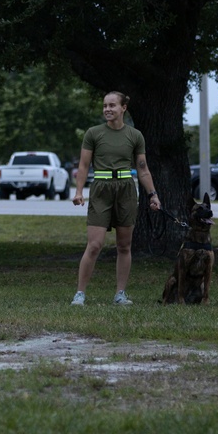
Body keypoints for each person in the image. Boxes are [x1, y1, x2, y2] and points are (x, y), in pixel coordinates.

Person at [70, 91, 161, 306]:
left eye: (112, 105)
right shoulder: (93, 133)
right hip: (101, 189)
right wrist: (79, 192)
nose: (107, 109)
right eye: (104, 106)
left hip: (126, 190)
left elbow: (143, 169)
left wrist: (153, 195)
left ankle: (120, 293)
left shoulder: (135, 135)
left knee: (124, 246)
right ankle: (80, 294)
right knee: (94, 245)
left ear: (123, 108)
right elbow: (83, 166)